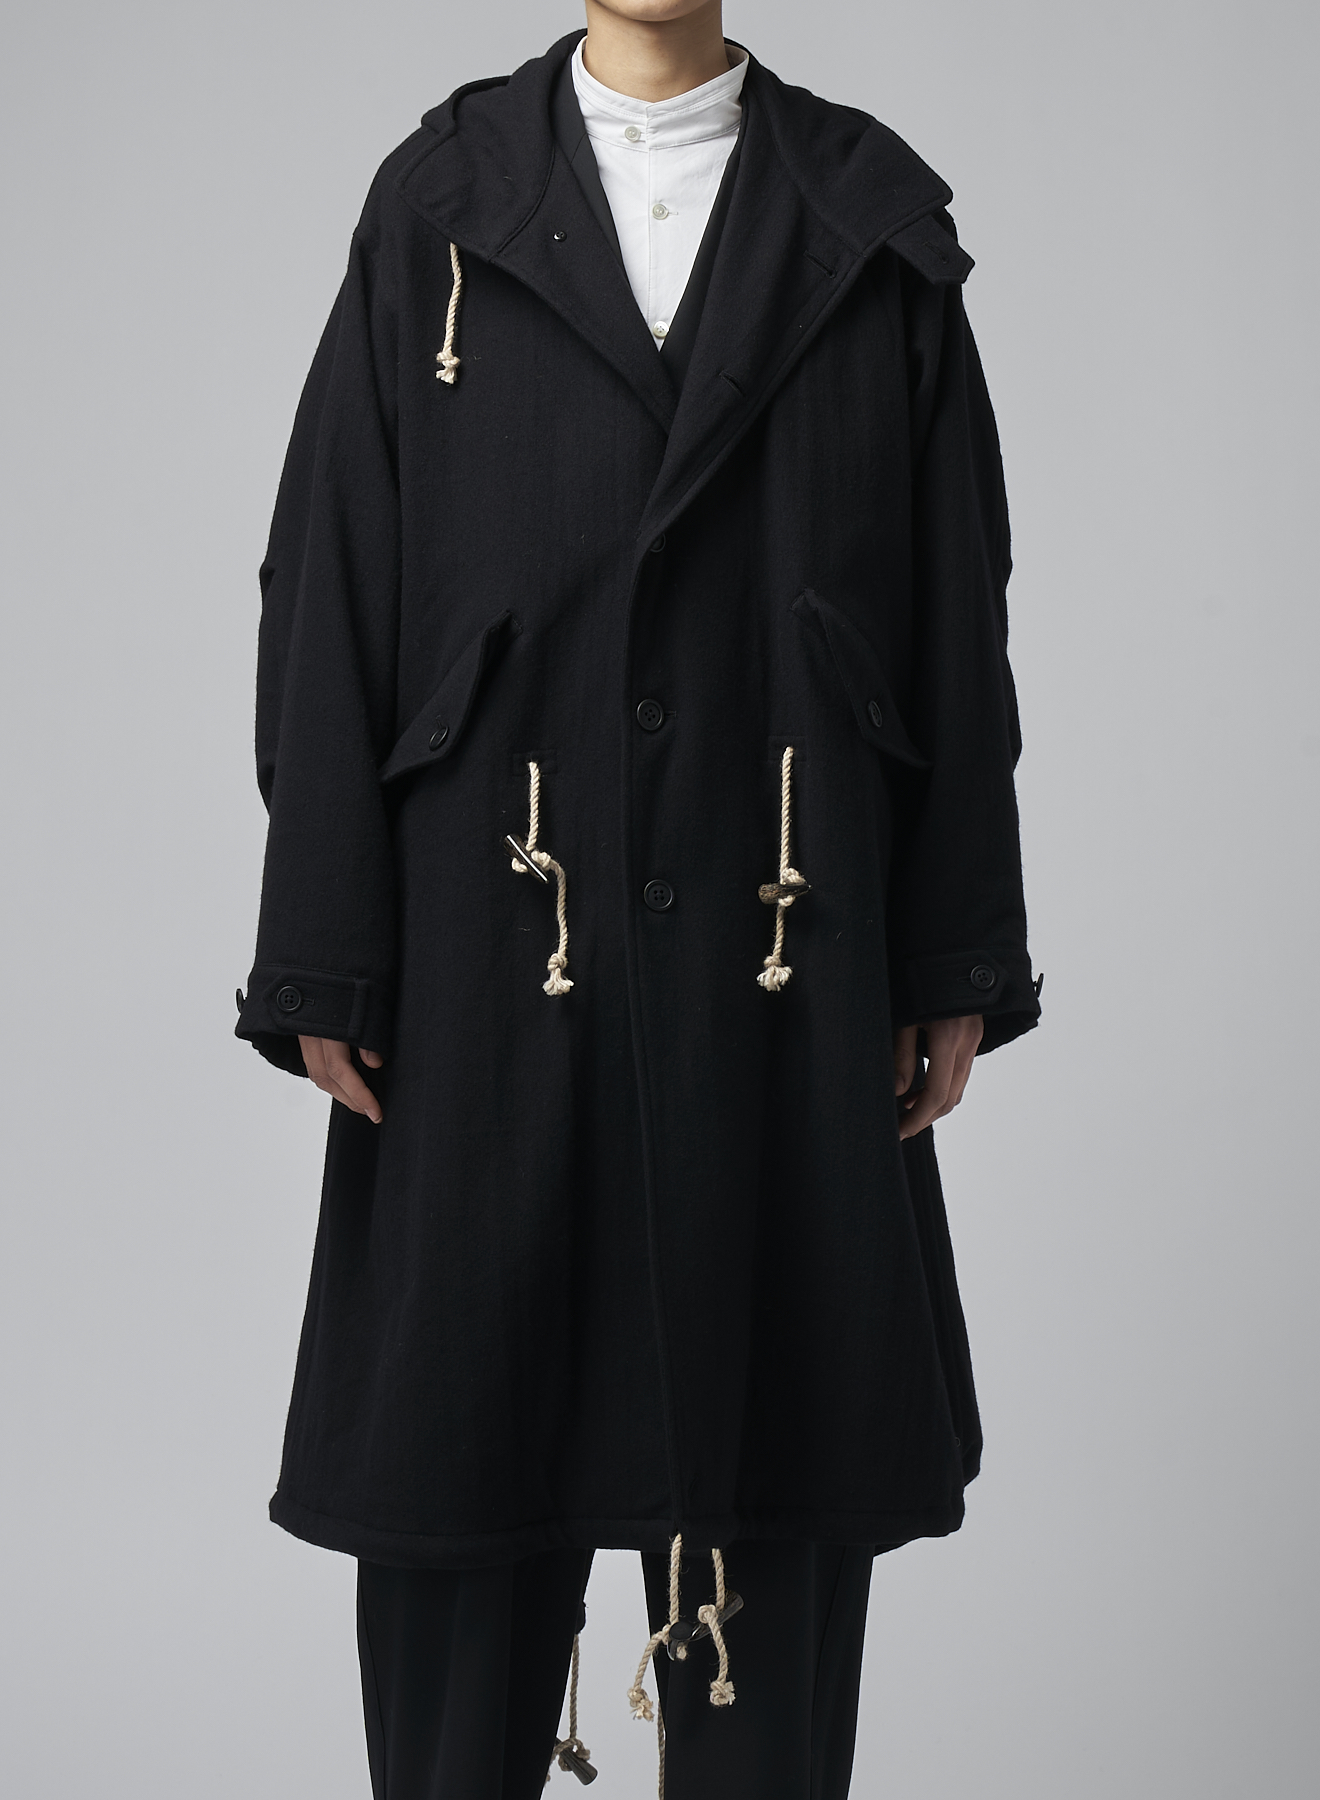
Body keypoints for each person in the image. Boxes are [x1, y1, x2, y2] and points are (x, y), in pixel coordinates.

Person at [235, 2, 1040, 1795]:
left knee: (776, 1479)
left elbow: (952, 601)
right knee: (462, 1486)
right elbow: (332, 571)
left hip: (789, 946)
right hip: (487, 951)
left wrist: (954, 953)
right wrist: (325, 952)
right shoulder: (438, 202)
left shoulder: (866, 219)